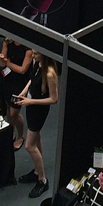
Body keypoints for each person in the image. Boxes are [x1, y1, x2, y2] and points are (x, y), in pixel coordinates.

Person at [15, 53, 59, 198]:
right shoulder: (37, 63)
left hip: (38, 110)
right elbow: (32, 80)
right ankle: (36, 171)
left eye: (36, 52)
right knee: (36, 138)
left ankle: (42, 179)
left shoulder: (50, 74)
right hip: (31, 106)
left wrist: (31, 102)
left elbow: (54, 99)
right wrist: (24, 91)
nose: (33, 53)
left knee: (29, 146)